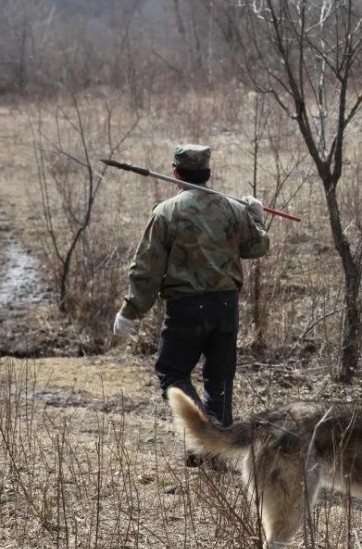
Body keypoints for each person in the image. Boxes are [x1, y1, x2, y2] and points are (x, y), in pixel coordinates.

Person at [113, 144, 270, 464]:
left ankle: (203, 442)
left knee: (172, 372)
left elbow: (147, 267)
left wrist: (131, 310)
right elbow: (257, 247)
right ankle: (214, 451)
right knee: (220, 377)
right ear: (208, 174)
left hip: (186, 308)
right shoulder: (231, 208)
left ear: (175, 174)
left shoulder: (166, 213)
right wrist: (255, 215)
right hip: (226, 307)